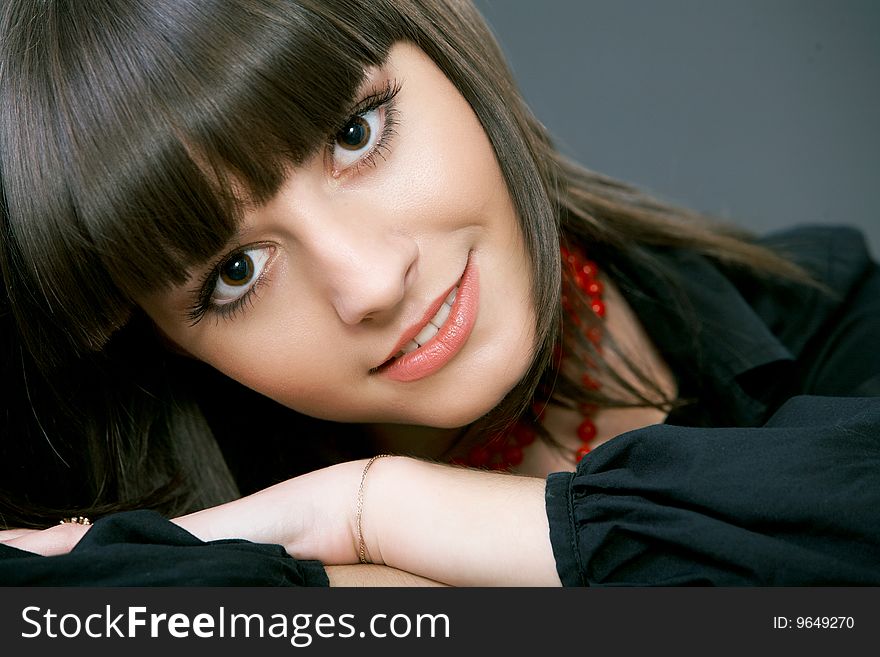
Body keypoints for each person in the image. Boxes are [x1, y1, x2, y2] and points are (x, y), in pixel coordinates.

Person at [0, 0, 878, 586]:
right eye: (236, 271)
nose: (371, 283)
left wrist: (373, 511)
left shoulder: (822, 312)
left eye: (355, 132)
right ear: (163, 341)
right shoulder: (165, 561)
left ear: (447, 48)